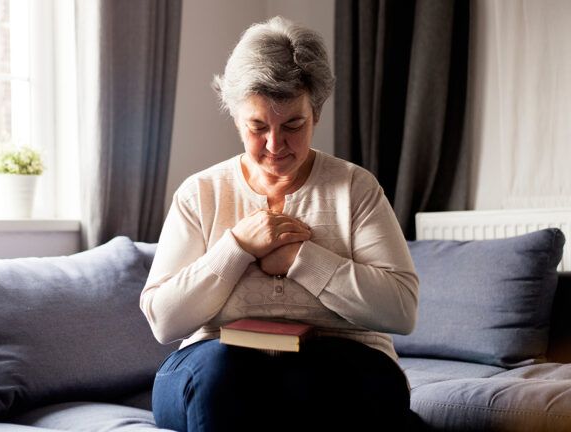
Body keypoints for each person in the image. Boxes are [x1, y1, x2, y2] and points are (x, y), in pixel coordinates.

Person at [140, 16, 421, 431]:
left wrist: (299, 259)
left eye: (293, 125)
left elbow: (401, 310)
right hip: (212, 363)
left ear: (317, 113)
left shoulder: (355, 188)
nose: (275, 145)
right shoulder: (199, 193)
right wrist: (236, 248)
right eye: (257, 127)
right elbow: (164, 319)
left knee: (339, 383)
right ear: (236, 118)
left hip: (337, 359)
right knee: (223, 376)